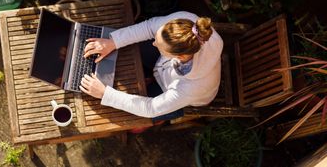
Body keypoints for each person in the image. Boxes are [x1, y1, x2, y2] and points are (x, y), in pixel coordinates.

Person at [79, 11, 223, 122]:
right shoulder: (184, 23)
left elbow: (151, 108)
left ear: (179, 56)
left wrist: (105, 94)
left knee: (132, 117)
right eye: (156, 39)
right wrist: (113, 42)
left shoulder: (192, 88)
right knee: (134, 48)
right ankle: (151, 74)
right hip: (166, 68)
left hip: (183, 94)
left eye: (159, 47)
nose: (153, 43)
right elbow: (148, 27)